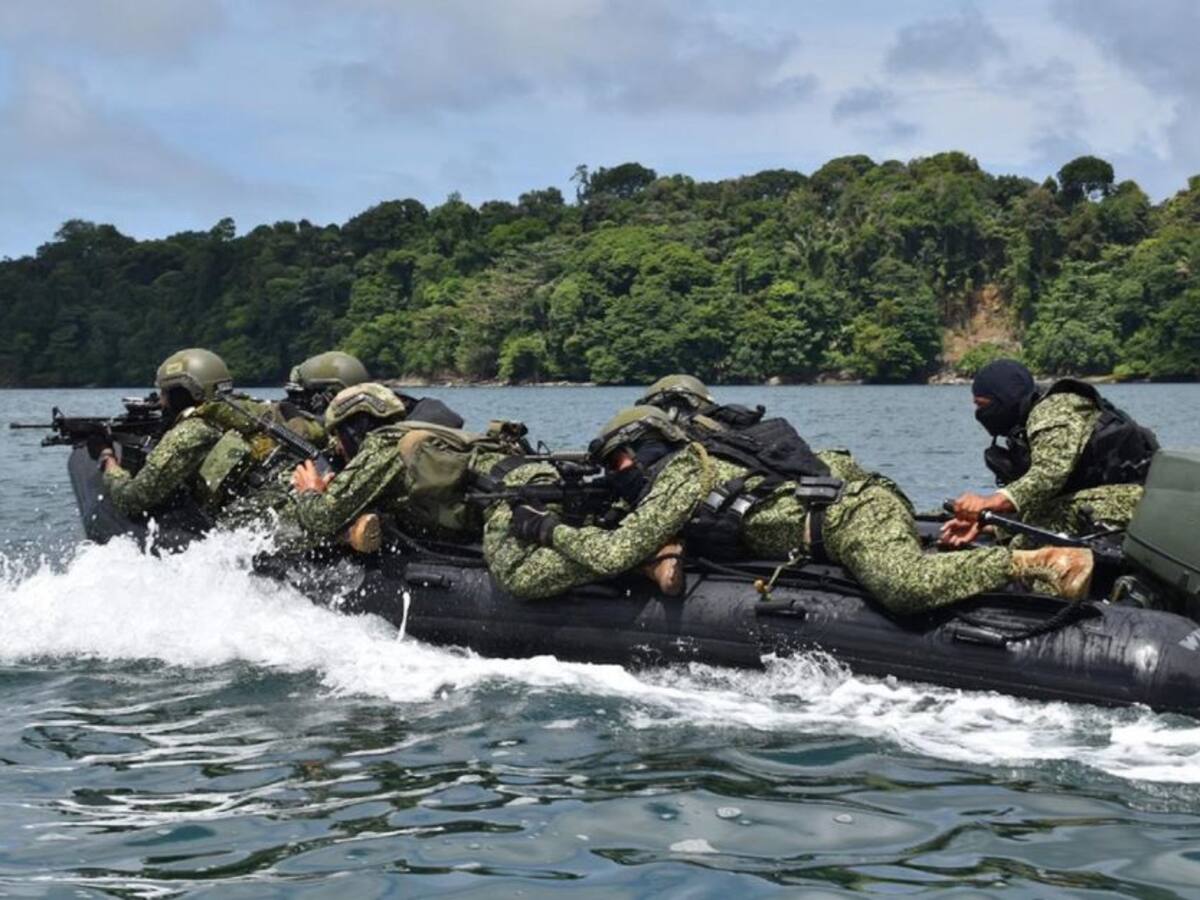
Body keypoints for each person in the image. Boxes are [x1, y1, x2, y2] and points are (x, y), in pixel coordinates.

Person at [485, 406, 1094, 611]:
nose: (619, 479)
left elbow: (617, 549)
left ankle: (1033, 565)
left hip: (845, 519)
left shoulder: (676, 477)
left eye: (621, 463)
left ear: (645, 450)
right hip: (849, 507)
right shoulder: (702, 460)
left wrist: (548, 528)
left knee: (902, 587)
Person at [99, 348, 327, 535]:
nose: (161, 402)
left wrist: (109, 461)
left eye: (165, 393)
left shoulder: (192, 432)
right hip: (293, 496)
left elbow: (132, 498)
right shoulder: (248, 411)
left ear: (185, 391)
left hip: (256, 518)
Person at [942, 359, 1158, 548]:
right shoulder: (1025, 423)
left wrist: (989, 502)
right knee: (1027, 528)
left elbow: (1049, 474)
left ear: (1004, 399)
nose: (979, 414)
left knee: (1026, 543)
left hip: (1129, 501)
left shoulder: (1053, 410)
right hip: (1094, 500)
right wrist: (990, 523)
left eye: (982, 405)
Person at [291, 383, 525, 551]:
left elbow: (321, 518)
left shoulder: (383, 446)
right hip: (511, 496)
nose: (338, 449)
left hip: (506, 511)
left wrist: (309, 490)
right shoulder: (426, 435)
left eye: (338, 438)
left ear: (352, 431)